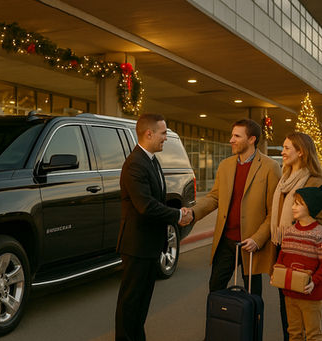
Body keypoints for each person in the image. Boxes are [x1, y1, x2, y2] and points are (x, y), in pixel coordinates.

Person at [115, 113, 191, 341]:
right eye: (163, 133)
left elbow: (157, 200)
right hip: (137, 246)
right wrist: (178, 214)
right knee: (130, 303)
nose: (165, 138)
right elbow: (146, 207)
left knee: (142, 303)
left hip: (150, 245)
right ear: (149, 133)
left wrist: (178, 213)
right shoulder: (134, 164)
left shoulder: (151, 160)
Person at [184, 118, 281, 296]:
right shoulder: (225, 165)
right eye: (231, 135)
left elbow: (274, 212)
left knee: (253, 295)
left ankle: (251, 324)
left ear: (251, 139)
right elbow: (214, 197)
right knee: (215, 288)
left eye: (237, 136)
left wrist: (257, 240)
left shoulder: (270, 167)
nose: (231, 140)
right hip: (226, 240)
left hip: (251, 244)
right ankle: (216, 324)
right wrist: (193, 212)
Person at [270, 132, 322, 341]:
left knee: (310, 323)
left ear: (301, 152)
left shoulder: (315, 181)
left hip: (307, 253)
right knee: (288, 311)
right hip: (283, 248)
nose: (282, 152)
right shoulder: (283, 180)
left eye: (286, 148)